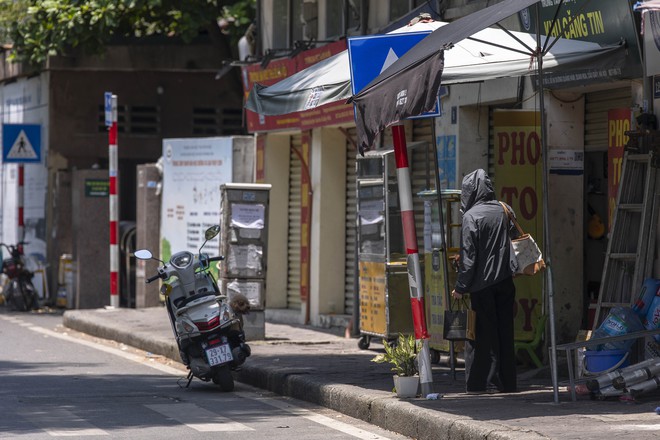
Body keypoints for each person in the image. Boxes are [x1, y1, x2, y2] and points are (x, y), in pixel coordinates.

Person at [451, 169, 519, 394]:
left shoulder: (471, 217)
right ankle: (507, 383)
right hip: (506, 282)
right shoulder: (504, 209)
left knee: (481, 336)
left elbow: (470, 259)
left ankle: (482, 383)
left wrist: (460, 287)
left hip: (482, 286)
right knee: (505, 332)